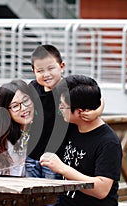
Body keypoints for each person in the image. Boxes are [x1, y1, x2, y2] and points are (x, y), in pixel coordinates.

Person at [40, 74, 122, 206]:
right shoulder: (71, 127)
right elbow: (94, 96)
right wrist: (98, 110)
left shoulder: (108, 142)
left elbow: (102, 190)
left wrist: (62, 168)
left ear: (80, 112)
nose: (59, 109)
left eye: (62, 106)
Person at [26, 44, 104, 178]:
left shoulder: (69, 88)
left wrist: (96, 112)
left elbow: (98, 98)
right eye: (40, 71)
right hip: (32, 155)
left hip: (57, 157)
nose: (46, 74)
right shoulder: (33, 88)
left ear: (62, 66)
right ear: (34, 71)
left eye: (51, 68)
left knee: (51, 194)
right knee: (29, 194)